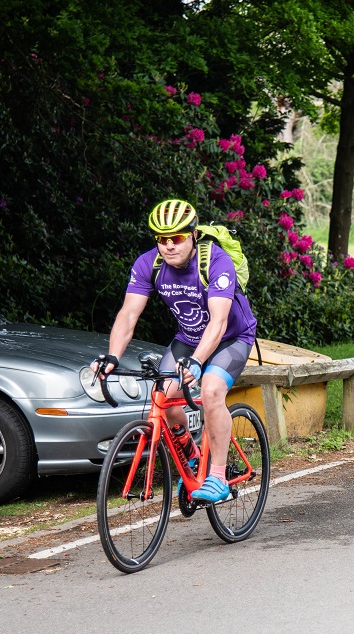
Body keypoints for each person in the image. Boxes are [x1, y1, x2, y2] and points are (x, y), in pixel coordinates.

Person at [92, 199, 258, 503]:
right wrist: (113, 356)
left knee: (210, 391)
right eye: (162, 239)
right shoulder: (148, 264)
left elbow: (219, 323)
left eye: (177, 238)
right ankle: (193, 458)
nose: (169, 246)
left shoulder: (216, 262)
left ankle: (218, 476)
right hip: (189, 337)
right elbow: (128, 315)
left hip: (231, 338)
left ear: (193, 235)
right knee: (164, 396)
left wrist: (197, 363)